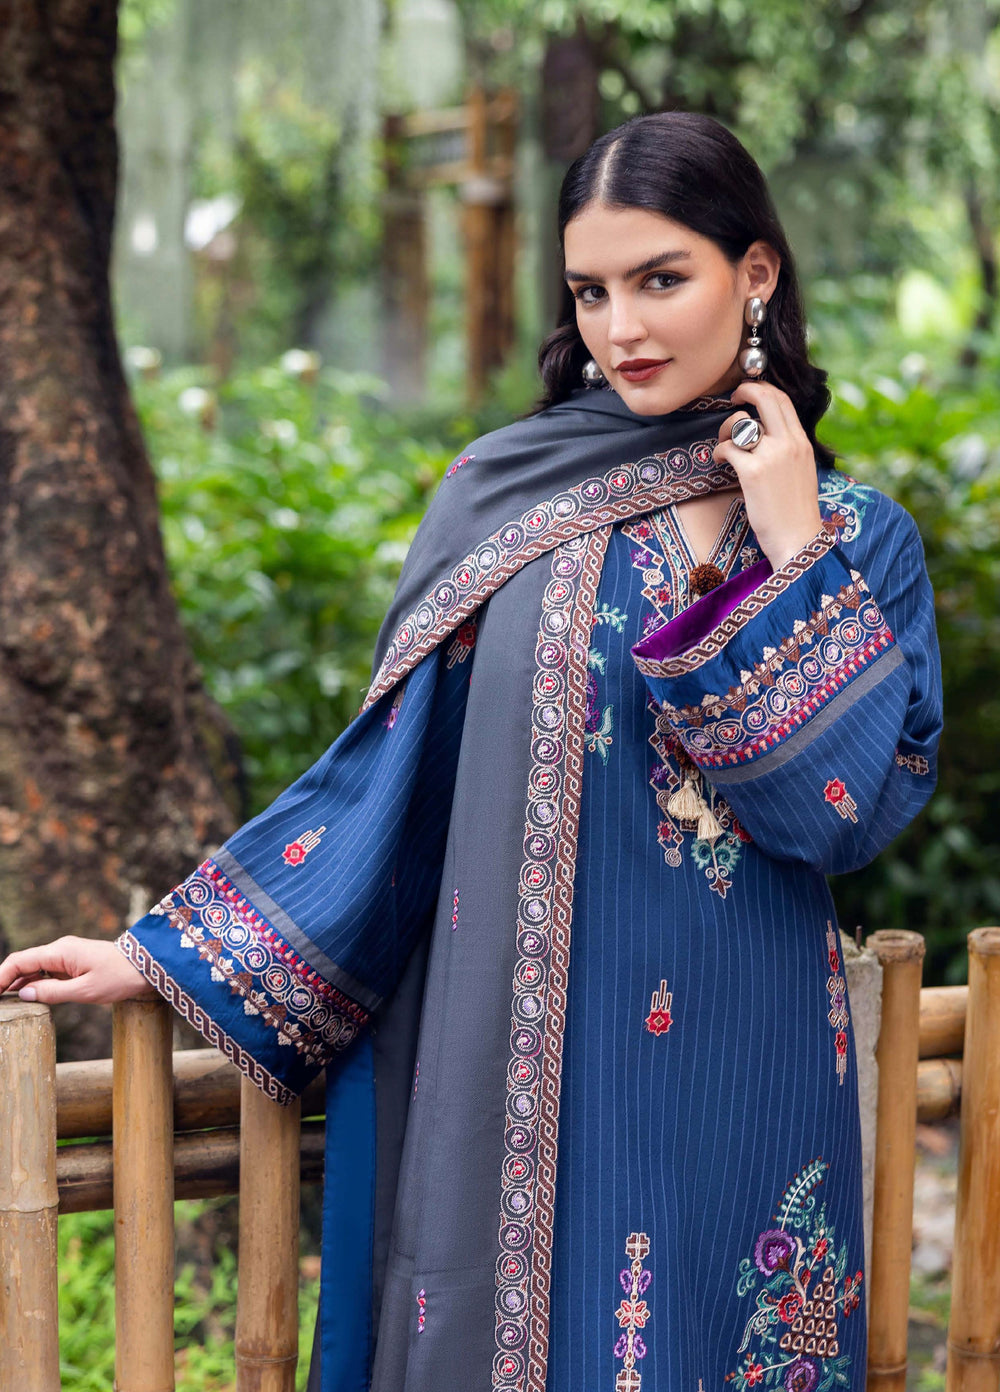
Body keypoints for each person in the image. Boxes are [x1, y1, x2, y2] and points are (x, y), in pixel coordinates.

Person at [0, 111, 941, 1392]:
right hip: (531, 1070)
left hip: (747, 1066)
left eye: (661, 279)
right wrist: (167, 952)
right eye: (592, 292)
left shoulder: (860, 541)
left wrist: (790, 547)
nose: (622, 328)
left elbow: (838, 816)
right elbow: (390, 782)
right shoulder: (507, 503)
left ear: (756, 273)